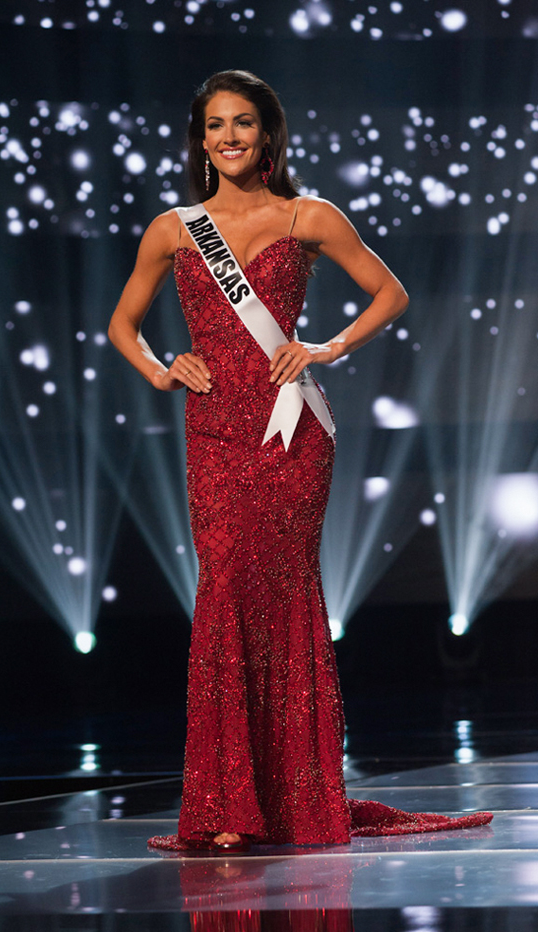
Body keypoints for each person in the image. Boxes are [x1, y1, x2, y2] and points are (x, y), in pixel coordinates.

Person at [108, 70, 492, 851]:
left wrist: (327, 346)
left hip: (290, 435)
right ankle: (226, 806)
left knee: (284, 598)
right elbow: (124, 322)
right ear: (200, 138)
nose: (228, 138)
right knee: (224, 591)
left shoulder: (308, 217)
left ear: (269, 136)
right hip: (215, 432)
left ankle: (293, 800)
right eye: (215, 125)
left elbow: (389, 292)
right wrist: (161, 368)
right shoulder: (175, 229)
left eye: (243, 123)